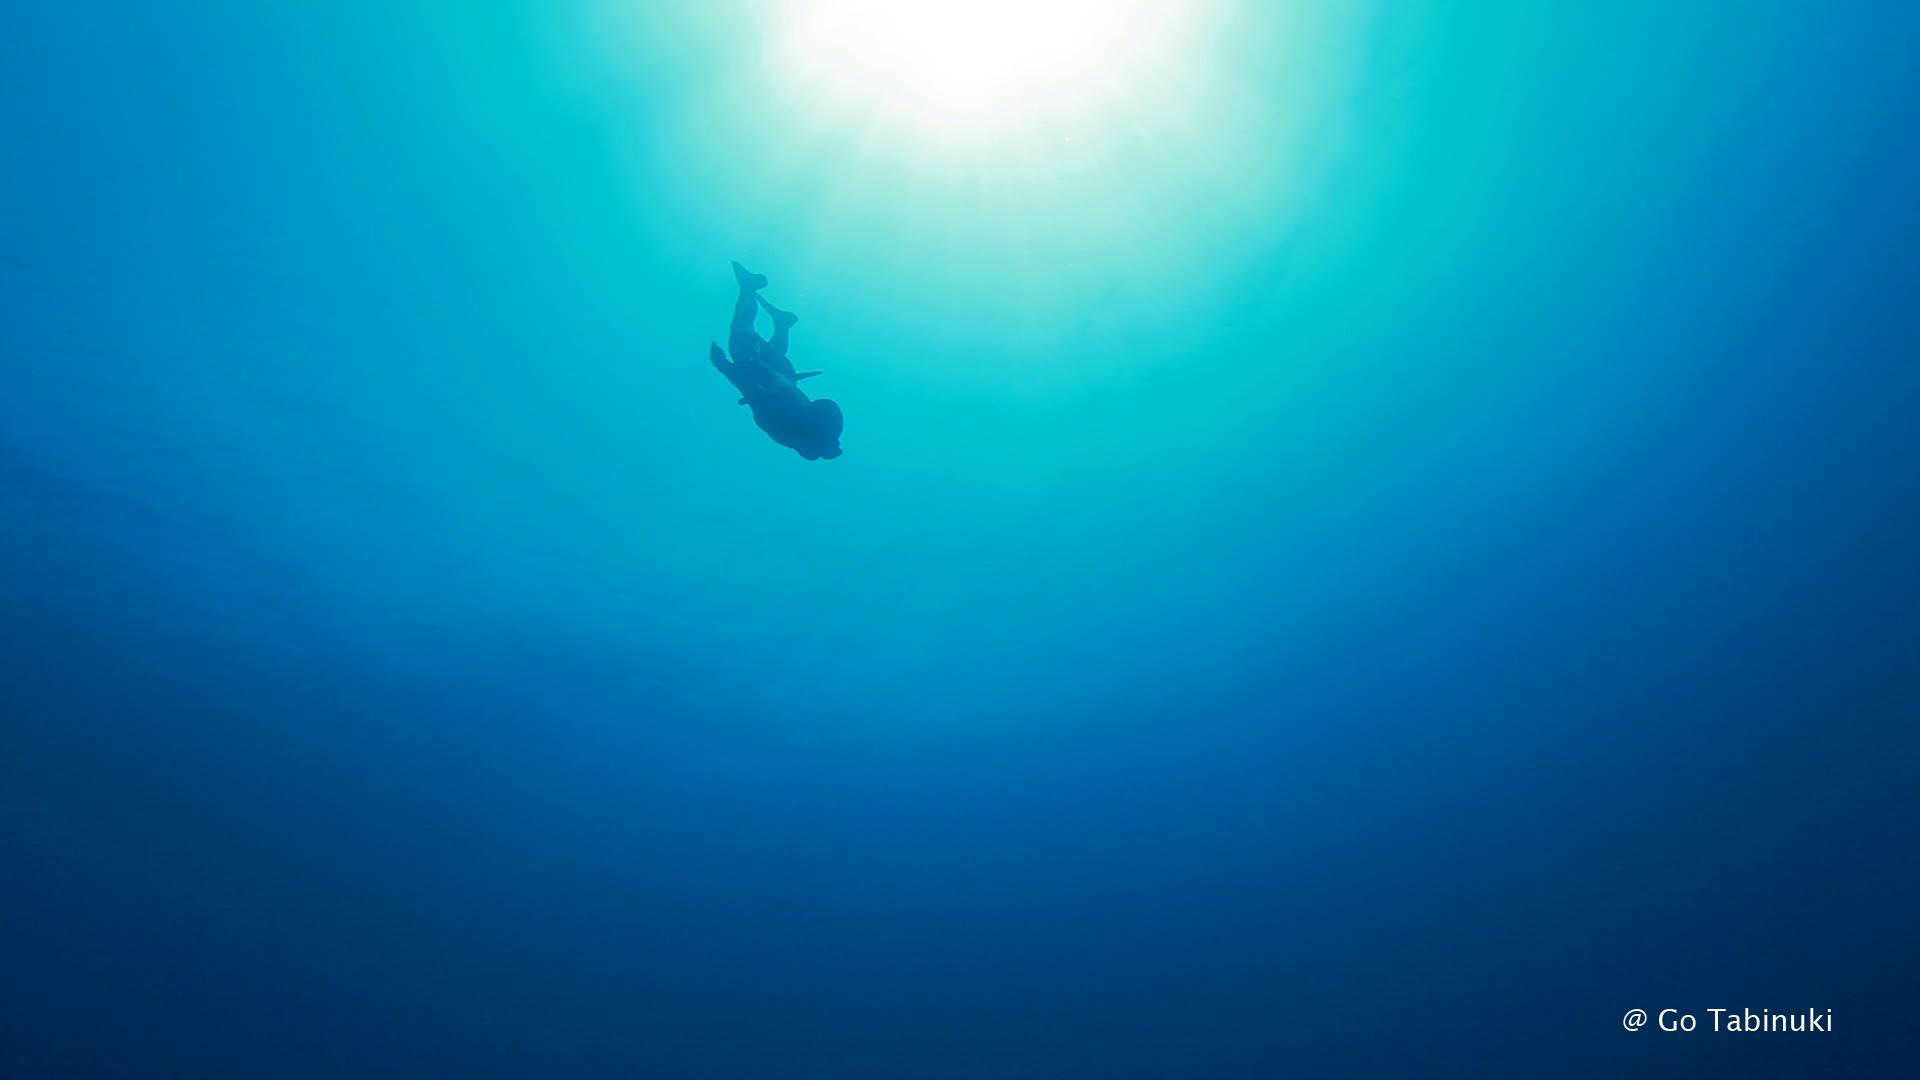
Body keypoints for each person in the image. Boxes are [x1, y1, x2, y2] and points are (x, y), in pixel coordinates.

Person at [710, 262, 843, 460]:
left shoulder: (804, 431)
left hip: (782, 374)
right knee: (742, 329)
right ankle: (749, 287)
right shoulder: (791, 433)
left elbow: (760, 399)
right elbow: (756, 396)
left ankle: (782, 325)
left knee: (766, 347)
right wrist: (724, 367)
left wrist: (726, 368)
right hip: (761, 371)